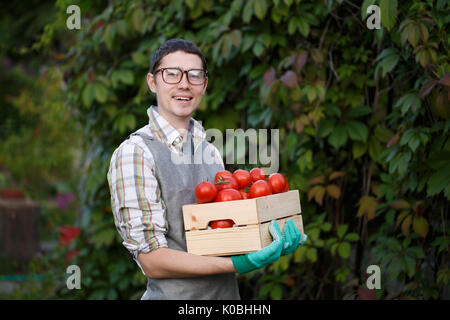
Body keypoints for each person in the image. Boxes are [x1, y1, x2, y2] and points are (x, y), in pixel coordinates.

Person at [107, 39, 307, 300]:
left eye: (195, 75)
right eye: (171, 74)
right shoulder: (136, 153)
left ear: (204, 84)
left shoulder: (209, 151)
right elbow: (151, 260)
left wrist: (267, 236)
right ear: (152, 82)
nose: (184, 83)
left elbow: (222, 234)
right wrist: (238, 265)